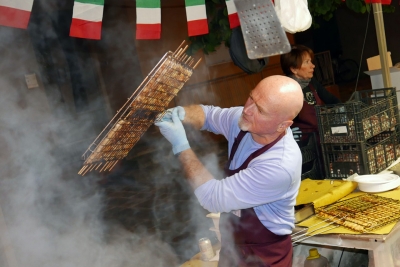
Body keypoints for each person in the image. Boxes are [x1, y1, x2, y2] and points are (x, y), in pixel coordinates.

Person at [155, 75, 304, 267]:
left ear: (283, 125)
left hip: (265, 253)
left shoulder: (279, 165)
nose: (247, 110)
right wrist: (182, 114)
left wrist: (181, 146)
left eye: (260, 109)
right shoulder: (245, 120)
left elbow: (212, 198)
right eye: (251, 97)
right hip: (233, 243)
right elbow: (208, 115)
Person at [280, 45, 341, 140]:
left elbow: (331, 99)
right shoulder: (286, 90)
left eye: (311, 61)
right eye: (307, 62)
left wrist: (344, 110)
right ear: (294, 69)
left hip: (319, 134)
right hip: (302, 140)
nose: (313, 65)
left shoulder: (312, 82)